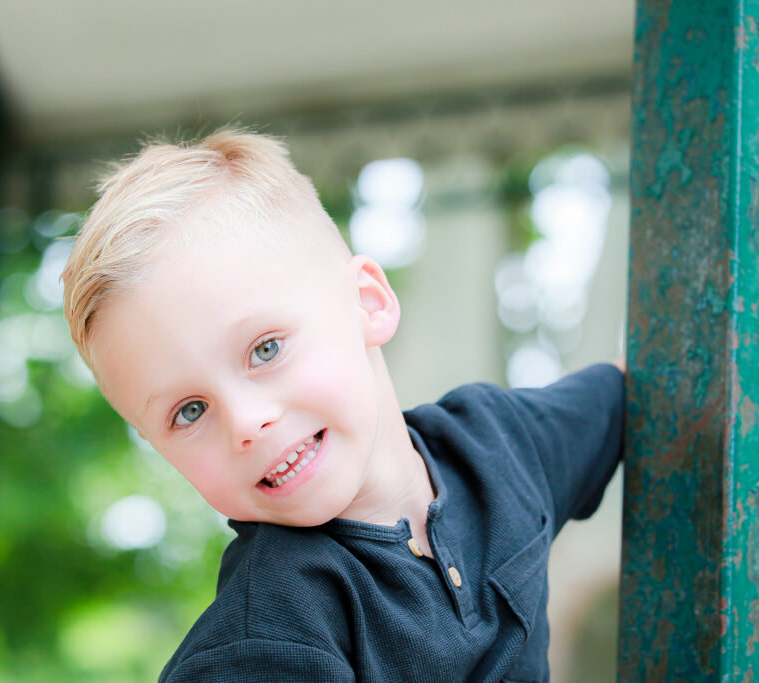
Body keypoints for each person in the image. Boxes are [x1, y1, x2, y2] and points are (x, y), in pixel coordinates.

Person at [60, 128, 625, 682]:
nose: (246, 422)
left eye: (265, 349)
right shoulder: (264, 641)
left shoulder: (501, 444)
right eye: (190, 411)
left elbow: (646, 394)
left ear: (367, 303)